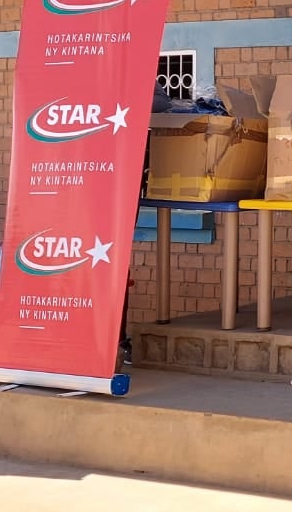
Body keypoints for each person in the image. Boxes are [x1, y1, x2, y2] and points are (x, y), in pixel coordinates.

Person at [119, 79, 174, 369]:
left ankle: (116, 339)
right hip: (80, 186)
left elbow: (163, 105)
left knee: (116, 269)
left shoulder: (138, 73)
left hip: (123, 188)